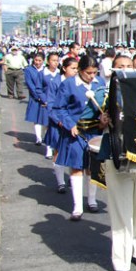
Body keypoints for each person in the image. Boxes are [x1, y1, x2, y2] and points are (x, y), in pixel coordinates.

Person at [101, 54, 136, 271]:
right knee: (121, 212)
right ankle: (121, 263)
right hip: (117, 156)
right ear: (113, 70)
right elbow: (86, 119)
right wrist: (100, 120)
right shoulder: (102, 93)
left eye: (129, 66)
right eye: (120, 67)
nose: (125, 70)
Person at [52, 55, 108, 220]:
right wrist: (70, 124)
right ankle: (77, 207)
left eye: (94, 72)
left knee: (92, 166)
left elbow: (104, 105)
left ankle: (91, 200)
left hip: (95, 130)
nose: (92, 76)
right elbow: (59, 108)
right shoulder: (68, 84)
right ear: (80, 70)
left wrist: (104, 118)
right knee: (77, 167)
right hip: (76, 132)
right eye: (88, 73)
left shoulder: (100, 83)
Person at [46, 56, 77, 191]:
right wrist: (59, 120)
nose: (76, 71)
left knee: (73, 150)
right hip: (58, 123)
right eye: (73, 68)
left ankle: (72, 177)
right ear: (64, 68)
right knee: (58, 151)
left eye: (77, 68)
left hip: (73, 123)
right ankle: (60, 182)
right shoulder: (55, 82)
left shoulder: (77, 83)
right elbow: (51, 104)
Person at [40, 52, 61, 159]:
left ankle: (52, 147)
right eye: (53, 60)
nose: (55, 63)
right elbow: (39, 88)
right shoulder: (43, 73)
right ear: (48, 61)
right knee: (47, 126)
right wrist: (44, 100)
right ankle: (48, 148)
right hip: (46, 103)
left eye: (57, 60)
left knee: (53, 128)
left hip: (57, 105)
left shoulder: (59, 74)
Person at [23, 52, 47, 145]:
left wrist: (44, 98)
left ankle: (44, 135)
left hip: (45, 98)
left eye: (40, 60)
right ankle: (38, 138)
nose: (37, 62)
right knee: (36, 118)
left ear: (43, 61)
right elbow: (30, 85)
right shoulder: (29, 70)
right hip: (35, 98)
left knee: (45, 119)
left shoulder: (46, 70)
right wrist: (38, 97)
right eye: (36, 60)